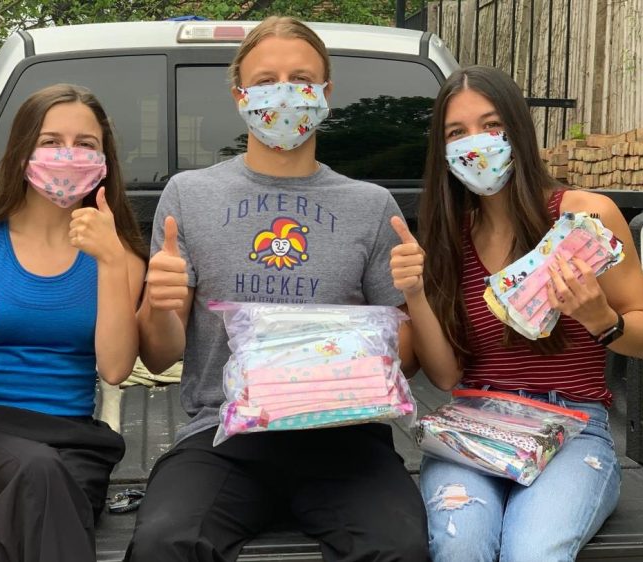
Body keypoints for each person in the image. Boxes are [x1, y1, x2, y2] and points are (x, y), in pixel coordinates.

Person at [126, 15, 429, 562]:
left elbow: (404, 364)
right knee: (164, 542)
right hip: (221, 437)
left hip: (346, 436)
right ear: (239, 93)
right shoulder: (189, 196)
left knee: (399, 547)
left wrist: (409, 303)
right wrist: (161, 303)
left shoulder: (370, 205)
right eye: (266, 80)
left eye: (301, 78)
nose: (284, 93)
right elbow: (161, 350)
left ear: (326, 93)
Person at [389, 65, 643, 562]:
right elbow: (447, 376)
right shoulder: (450, 236)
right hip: (476, 418)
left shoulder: (584, 216)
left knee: (534, 551)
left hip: (574, 424)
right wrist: (417, 293)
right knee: (460, 544)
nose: (477, 143)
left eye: (492, 126)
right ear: (442, 151)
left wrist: (602, 318)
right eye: (456, 133)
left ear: (518, 129)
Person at [0, 83, 148, 562]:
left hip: (72, 441)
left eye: (85, 145)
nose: (68, 155)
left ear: (104, 158)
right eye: (51, 141)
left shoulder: (119, 255)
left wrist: (111, 262)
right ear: (22, 149)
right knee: (39, 473)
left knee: (38, 485)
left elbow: (114, 369)